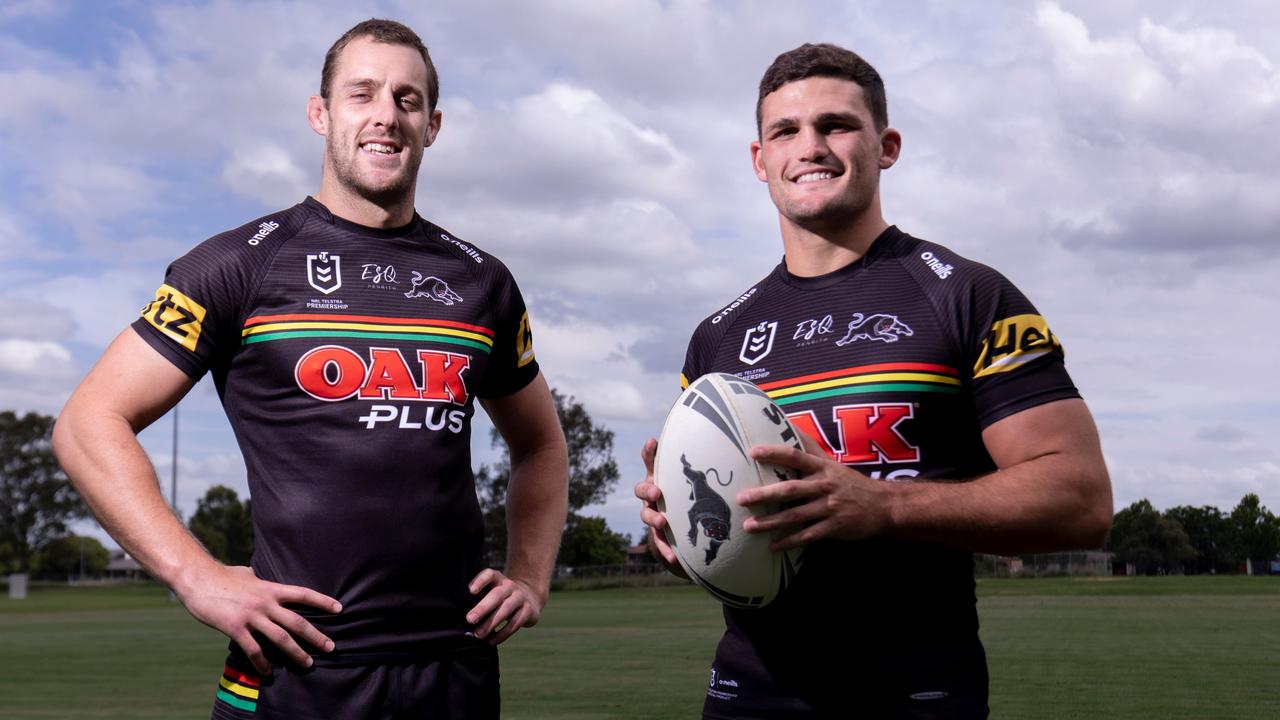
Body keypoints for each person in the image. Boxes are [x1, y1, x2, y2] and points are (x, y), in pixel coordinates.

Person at [53, 18, 568, 720]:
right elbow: (88, 423)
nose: (386, 114)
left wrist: (530, 577)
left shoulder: (482, 282)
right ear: (320, 113)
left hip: (456, 674)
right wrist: (195, 576)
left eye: (407, 99)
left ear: (433, 125)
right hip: (295, 675)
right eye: (363, 93)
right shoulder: (237, 265)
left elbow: (540, 444)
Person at [636, 43, 1112, 718]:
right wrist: (682, 534)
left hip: (913, 693)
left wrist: (883, 507)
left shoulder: (967, 296)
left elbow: (1082, 500)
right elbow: (730, 543)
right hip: (749, 694)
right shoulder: (718, 336)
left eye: (836, 125)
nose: (811, 146)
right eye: (786, 131)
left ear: (885, 146)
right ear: (759, 159)